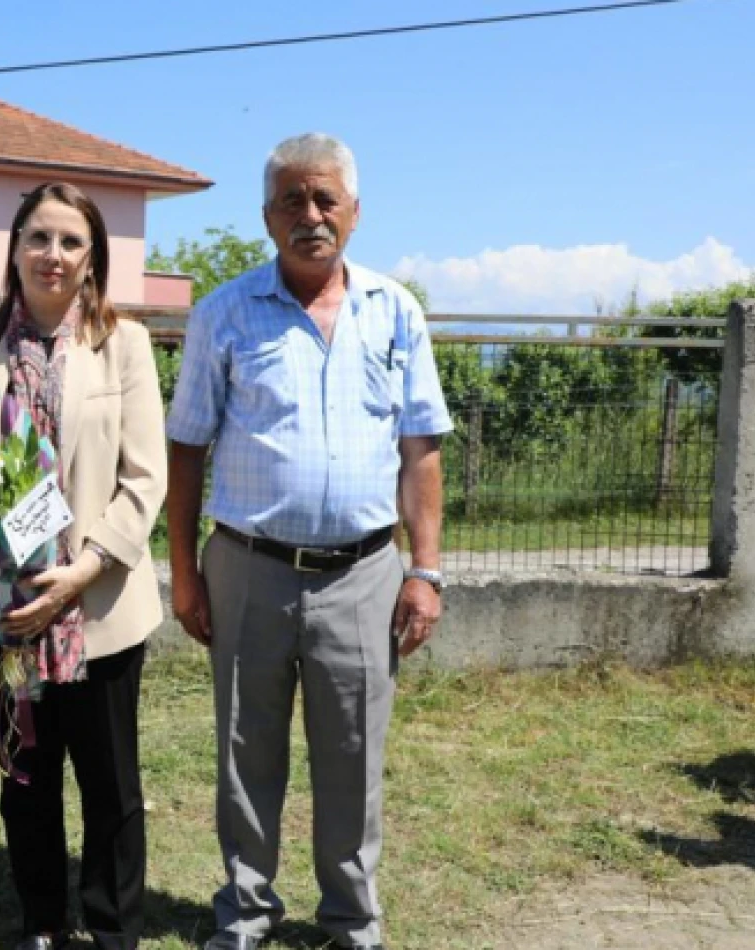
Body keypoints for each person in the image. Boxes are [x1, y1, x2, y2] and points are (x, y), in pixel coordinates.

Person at [165, 134, 453, 950]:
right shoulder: (223, 313)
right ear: (266, 218)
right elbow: (186, 448)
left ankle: (352, 919)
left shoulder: (395, 311)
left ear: (355, 213)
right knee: (244, 749)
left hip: (363, 574)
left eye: (325, 199)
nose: (310, 216)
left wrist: (424, 572)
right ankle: (247, 910)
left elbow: (422, 449)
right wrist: (183, 574)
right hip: (247, 569)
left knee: (353, 756)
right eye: (292, 201)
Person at [0, 182, 168, 950]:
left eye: (72, 242)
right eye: (40, 237)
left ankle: (109, 932)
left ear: (92, 257)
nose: (54, 255)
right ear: (14, 248)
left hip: (97, 610)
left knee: (110, 789)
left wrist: (82, 572)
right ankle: (41, 923)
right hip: (1, 612)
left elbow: (145, 480)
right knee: (25, 781)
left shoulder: (125, 344)